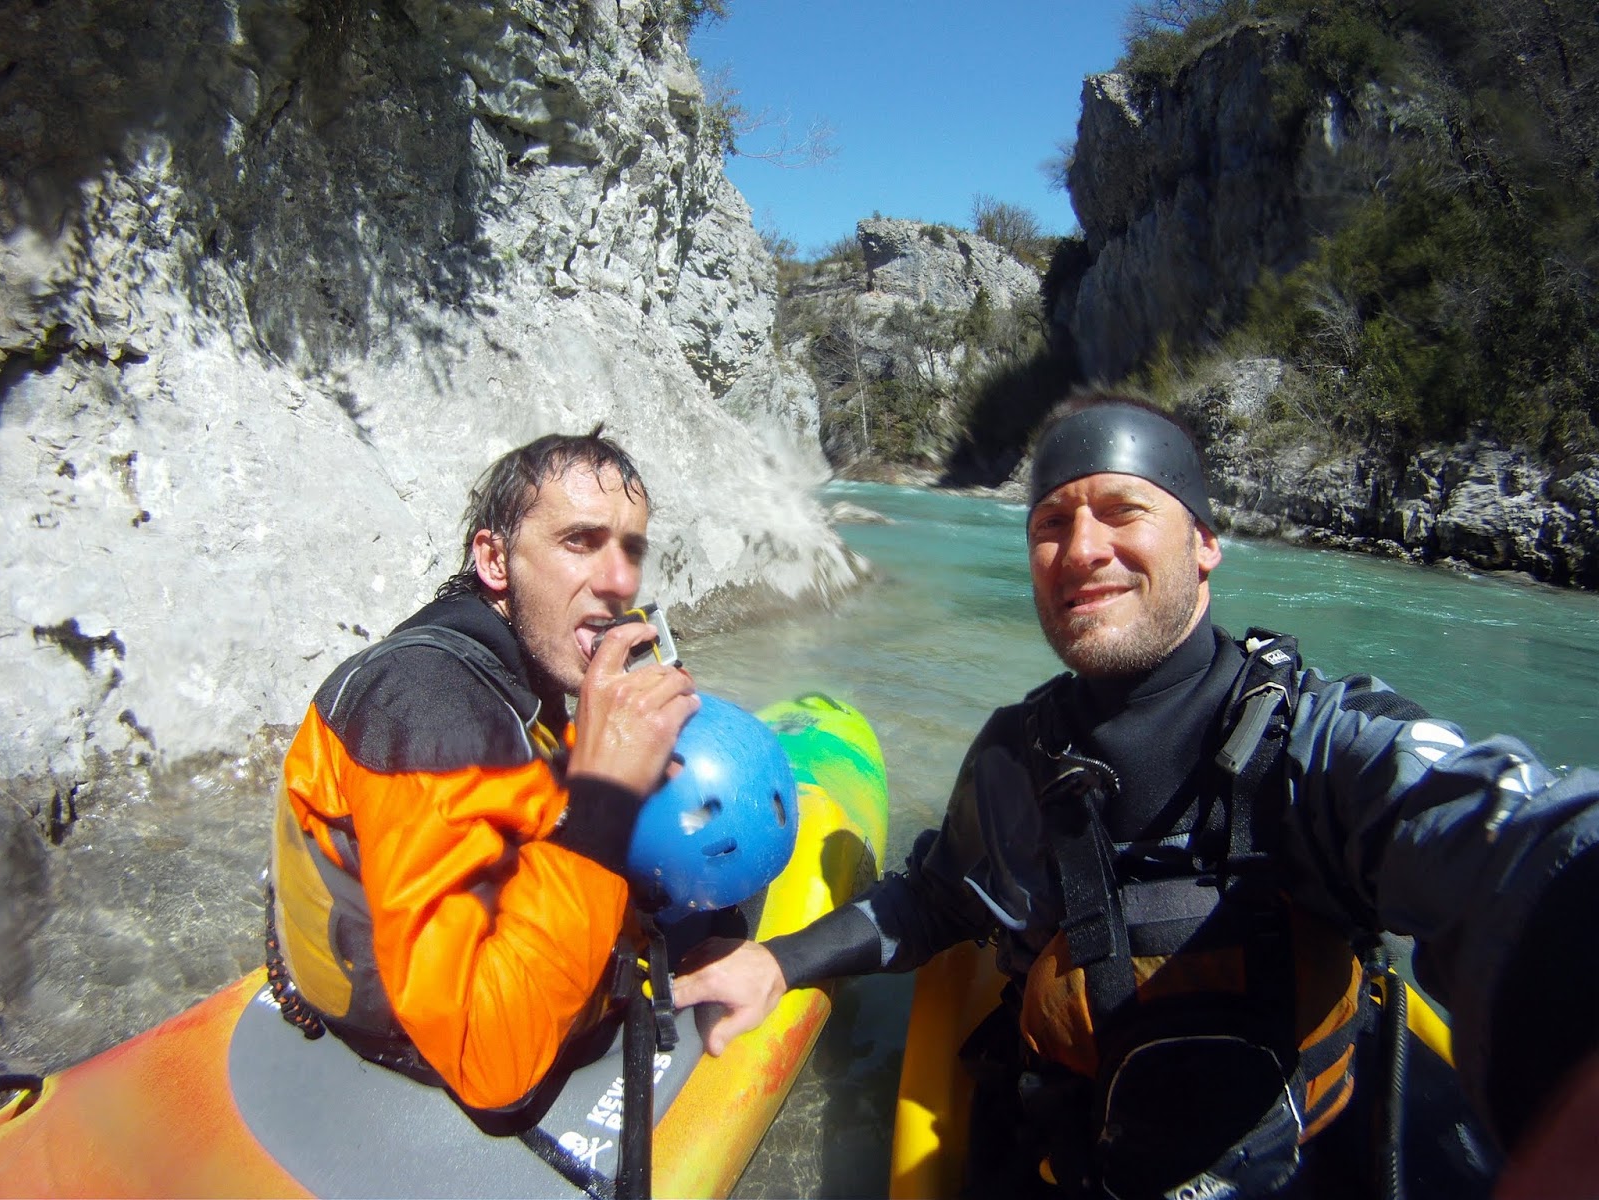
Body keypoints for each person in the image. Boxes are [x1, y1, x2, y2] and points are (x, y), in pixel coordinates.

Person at [673, 393, 1599, 1197]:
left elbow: (1509, 838)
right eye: (1050, 524)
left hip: (1300, 1168)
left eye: (1122, 511)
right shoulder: (1011, 757)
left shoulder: (1320, 743)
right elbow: (936, 899)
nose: (1081, 549)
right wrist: (778, 962)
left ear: (1203, 544)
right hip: (1070, 1161)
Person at [268, 427, 700, 1112]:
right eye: (578, 541)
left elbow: (523, 800)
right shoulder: (430, 710)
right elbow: (489, 1064)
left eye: (631, 550)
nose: (620, 581)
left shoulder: (520, 667)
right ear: (495, 560)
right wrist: (605, 796)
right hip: (438, 1042)